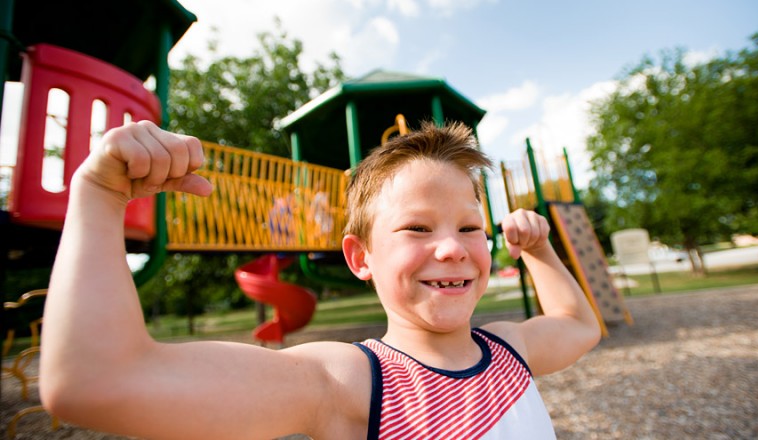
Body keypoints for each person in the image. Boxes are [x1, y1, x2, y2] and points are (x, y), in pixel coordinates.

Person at [40, 120, 600, 439]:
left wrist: (541, 250)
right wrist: (100, 196)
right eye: (417, 227)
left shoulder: (509, 349)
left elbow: (579, 325)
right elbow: (97, 380)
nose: (453, 248)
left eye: (469, 227)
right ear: (360, 258)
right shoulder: (350, 382)